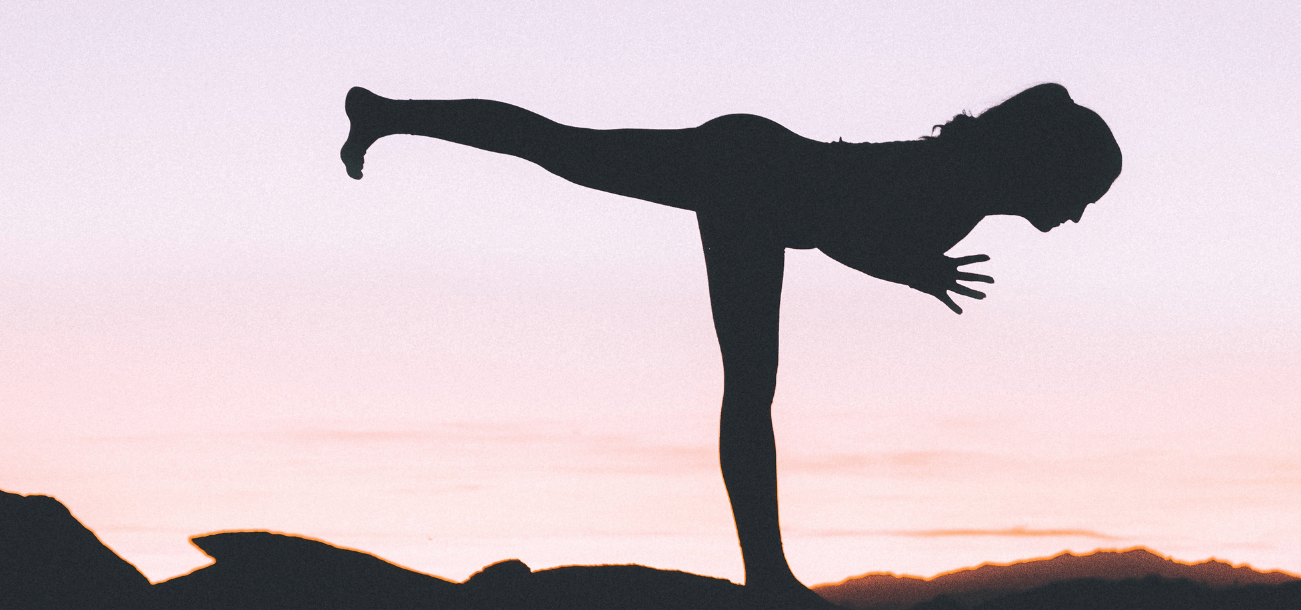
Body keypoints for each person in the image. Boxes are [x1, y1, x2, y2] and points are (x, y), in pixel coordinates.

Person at [340, 83, 1121, 608]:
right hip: (749, 179)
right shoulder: (955, 186)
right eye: (1083, 195)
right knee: (748, 383)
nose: (1080, 216)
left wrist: (907, 267)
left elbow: (858, 221)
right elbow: (840, 225)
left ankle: (381, 113)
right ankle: (769, 577)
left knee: (561, 147)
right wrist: (911, 269)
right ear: (1046, 169)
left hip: (755, 170)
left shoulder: (966, 186)